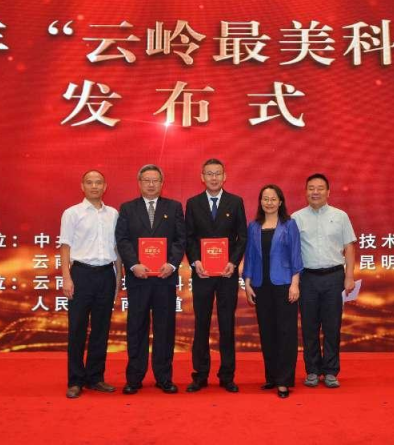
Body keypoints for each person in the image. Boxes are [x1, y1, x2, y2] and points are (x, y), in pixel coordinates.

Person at [115, 164, 186, 395]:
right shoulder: (127, 208)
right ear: (139, 183)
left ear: (162, 183)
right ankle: (134, 378)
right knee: (136, 327)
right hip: (138, 278)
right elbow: (122, 240)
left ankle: (164, 377)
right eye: (147, 180)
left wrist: (172, 264)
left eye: (155, 180)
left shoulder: (174, 207)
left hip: (165, 278)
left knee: (165, 329)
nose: (151, 184)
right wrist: (133, 264)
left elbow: (180, 239)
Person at [185, 159, 247, 393]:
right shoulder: (193, 203)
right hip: (202, 274)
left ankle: (227, 376)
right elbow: (189, 238)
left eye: (217, 174)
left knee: (226, 325)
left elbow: (242, 237)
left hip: (226, 274)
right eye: (209, 174)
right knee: (201, 324)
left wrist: (233, 262)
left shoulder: (236, 202)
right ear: (202, 177)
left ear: (224, 176)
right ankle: (200, 375)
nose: (213, 178)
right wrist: (195, 261)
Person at [60, 170, 122, 399]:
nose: (94, 186)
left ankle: (95, 377)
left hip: (106, 275)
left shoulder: (113, 214)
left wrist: (118, 277)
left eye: (98, 183)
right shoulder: (72, 213)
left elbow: (117, 249)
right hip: (81, 275)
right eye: (89, 182)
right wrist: (67, 277)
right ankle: (75, 380)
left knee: (101, 329)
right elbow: (65, 246)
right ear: (82, 186)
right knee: (77, 329)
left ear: (105, 186)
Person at [292, 174, 356, 389]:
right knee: (309, 326)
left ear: (328, 192)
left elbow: (349, 247)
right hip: (307, 278)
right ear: (305, 192)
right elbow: (291, 252)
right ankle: (312, 370)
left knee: (332, 326)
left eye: (320, 188)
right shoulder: (296, 218)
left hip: (334, 277)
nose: (315, 192)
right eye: (311, 188)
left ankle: (330, 371)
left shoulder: (340, 216)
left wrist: (349, 276)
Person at [243, 184, 303, 399]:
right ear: (260, 202)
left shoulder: (289, 225)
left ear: (280, 202)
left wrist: (295, 284)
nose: (269, 202)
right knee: (267, 332)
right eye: (265, 199)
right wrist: (247, 283)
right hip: (261, 285)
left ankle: (284, 381)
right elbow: (250, 256)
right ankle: (272, 376)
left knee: (286, 333)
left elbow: (296, 255)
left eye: (273, 199)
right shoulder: (253, 226)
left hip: (284, 284)